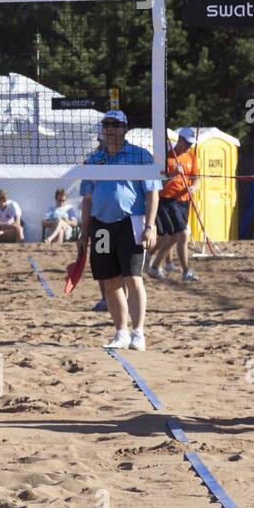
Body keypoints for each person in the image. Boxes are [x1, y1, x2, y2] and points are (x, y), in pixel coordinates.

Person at [78, 110, 160, 351]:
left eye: (116, 125)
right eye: (107, 125)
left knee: (133, 278)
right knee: (109, 281)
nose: (111, 129)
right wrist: (84, 233)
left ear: (125, 128)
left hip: (130, 222)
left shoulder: (140, 156)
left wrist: (150, 226)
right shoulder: (94, 159)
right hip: (101, 225)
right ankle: (121, 332)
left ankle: (138, 333)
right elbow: (87, 199)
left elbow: (152, 193)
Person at [150, 127, 199, 282]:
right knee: (183, 234)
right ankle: (186, 272)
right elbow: (157, 183)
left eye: (191, 144)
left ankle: (154, 265)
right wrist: (173, 175)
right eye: (187, 143)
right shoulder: (166, 158)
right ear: (180, 140)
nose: (189, 146)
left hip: (184, 200)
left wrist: (194, 186)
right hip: (167, 200)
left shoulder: (191, 156)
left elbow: (197, 177)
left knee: (170, 238)